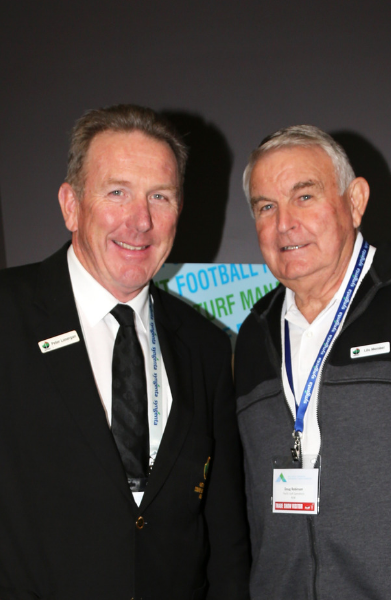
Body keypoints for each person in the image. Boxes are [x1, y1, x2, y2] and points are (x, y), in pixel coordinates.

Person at [0, 104, 250, 600]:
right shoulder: (8, 315)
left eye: (160, 196)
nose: (140, 221)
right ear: (71, 205)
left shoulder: (205, 346)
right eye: (117, 192)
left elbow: (224, 535)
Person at [235, 124, 391, 599]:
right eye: (266, 207)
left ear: (355, 201)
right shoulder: (253, 334)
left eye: (304, 196)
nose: (284, 223)